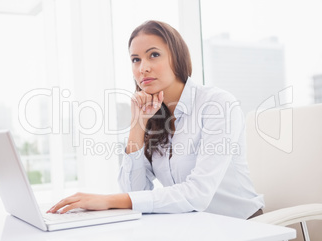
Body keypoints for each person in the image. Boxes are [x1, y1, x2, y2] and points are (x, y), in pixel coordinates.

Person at [47, 20, 264, 219]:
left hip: (242, 226)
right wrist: (137, 125)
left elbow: (198, 194)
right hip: (195, 225)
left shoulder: (218, 105)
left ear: (177, 57)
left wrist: (107, 200)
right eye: (136, 60)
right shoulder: (153, 115)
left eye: (154, 55)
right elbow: (136, 192)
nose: (143, 68)